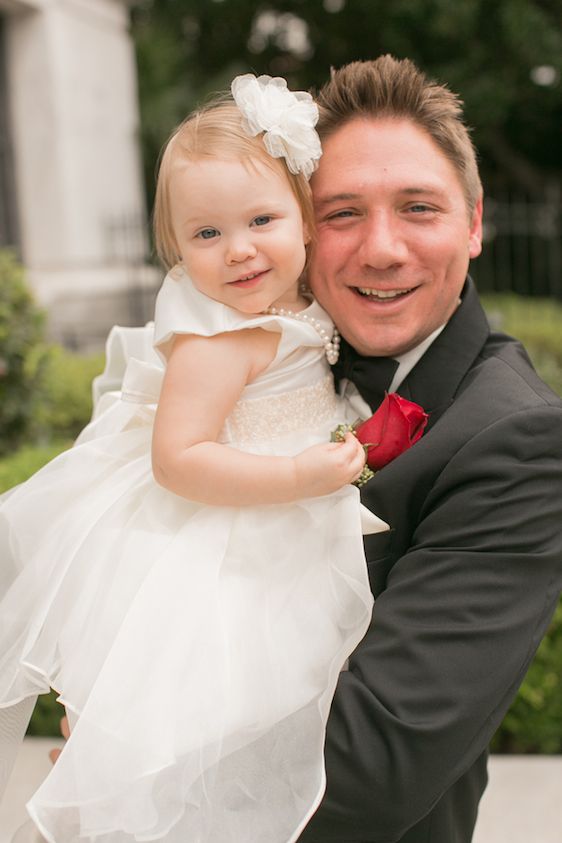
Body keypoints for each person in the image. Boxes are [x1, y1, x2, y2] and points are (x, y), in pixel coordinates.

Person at [0, 74, 391, 843]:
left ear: (306, 220)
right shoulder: (215, 341)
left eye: (261, 219)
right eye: (206, 234)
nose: (239, 249)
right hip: (218, 536)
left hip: (277, 513)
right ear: (177, 247)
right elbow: (178, 459)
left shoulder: (292, 298)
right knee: (195, 718)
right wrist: (297, 477)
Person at [295, 55, 562, 843]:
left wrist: (139, 755)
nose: (381, 249)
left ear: (474, 224)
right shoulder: (266, 366)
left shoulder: (518, 439)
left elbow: (370, 770)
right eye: (341, 213)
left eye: (418, 207)